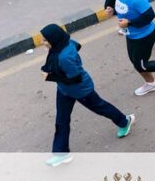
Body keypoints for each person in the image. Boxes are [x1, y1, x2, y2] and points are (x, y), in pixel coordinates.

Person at [40, 23, 134, 167]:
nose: (42, 43)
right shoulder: (64, 44)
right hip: (64, 90)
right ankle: (61, 153)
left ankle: (124, 121)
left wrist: (50, 77)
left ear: (54, 39)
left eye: (45, 40)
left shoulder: (64, 57)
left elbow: (75, 78)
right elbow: (76, 46)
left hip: (80, 89)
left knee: (100, 107)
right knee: (61, 120)